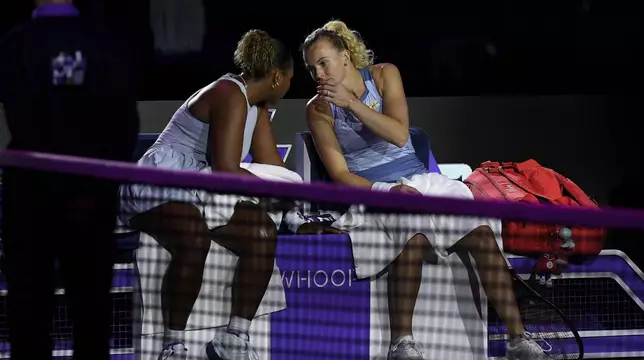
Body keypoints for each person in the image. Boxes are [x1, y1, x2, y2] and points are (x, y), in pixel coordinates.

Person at [301, 20, 549, 360]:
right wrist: (387, 192)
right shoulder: (316, 110)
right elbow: (342, 175)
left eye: (323, 63)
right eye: (311, 67)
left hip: (422, 181)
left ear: (345, 58)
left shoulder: (385, 74)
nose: (318, 73)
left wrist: (353, 104)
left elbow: (401, 135)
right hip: (374, 191)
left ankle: (517, 339)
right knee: (413, 234)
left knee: (481, 231)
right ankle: (401, 343)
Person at [119, 29, 293, 360]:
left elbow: (273, 167)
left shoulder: (257, 109)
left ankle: (234, 340)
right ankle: (173, 346)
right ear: (275, 77)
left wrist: (291, 195)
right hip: (158, 182)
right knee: (193, 236)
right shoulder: (229, 92)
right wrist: (275, 191)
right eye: (289, 79)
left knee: (262, 233)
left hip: (200, 189)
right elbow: (228, 170)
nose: (288, 88)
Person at [0, 0, 140, 360]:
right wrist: (98, 184)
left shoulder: (14, 45)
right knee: (92, 314)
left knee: (29, 315)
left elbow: (22, 120)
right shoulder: (108, 44)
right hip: (91, 197)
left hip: (30, 198)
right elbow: (125, 126)